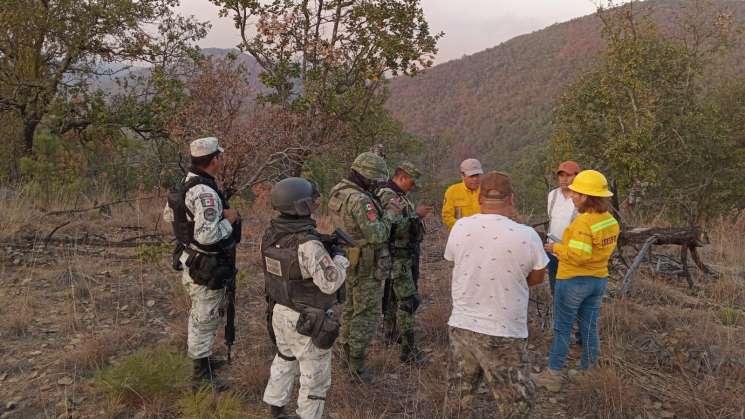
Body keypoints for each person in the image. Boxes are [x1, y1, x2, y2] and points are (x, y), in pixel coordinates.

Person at [444, 171, 548, 417]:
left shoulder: (460, 227)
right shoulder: (527, 235)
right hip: (503, 330)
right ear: (511, 199)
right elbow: (537, 277)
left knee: (459, 398)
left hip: (462, 325)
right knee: (516, 404)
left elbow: (454, 260)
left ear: (479, 199)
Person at [261, 177, 349, 419]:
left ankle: (276, 410)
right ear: (301, 206)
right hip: (308, 318)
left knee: (284, 360)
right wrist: (340, 257)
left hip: (280, 309)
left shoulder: (270, 234)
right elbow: (330, 282)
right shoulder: (308, 245)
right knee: (314, 378)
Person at [164, 137, 241, 390]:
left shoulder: (186, 183)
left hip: (190, 258)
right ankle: (200, 376)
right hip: (205, 263)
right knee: (204, 317)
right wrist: (229, 219)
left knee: (201, 314)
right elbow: (207, 235)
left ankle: (204, 360)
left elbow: (169, 216)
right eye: (219, 156)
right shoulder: (206, 192)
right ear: (214, 159)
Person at [534, 170, 620, 391]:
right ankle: (588, 369)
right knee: (589, 326)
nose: (572, 196)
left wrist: (556, 248)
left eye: (576, 194)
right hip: (598, 279)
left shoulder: (583, 223)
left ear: (586, 197)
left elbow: (579, 255)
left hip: (573, 280)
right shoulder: (610, 220)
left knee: (562, 328)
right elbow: (593, 251)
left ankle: (553, 375)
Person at [327, 152, 401, 382]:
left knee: (349, 308)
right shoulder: (361, 201)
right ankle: (356, 366)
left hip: (347, 258)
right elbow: (378, 234)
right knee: (365, 313)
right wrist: (390, 213)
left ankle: (345, 354)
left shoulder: (338, 191)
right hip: (366, 263)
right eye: (375, 179)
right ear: (366, 176)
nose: (377, 184)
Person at [377, 162, 432, 363]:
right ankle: (408, 352)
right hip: (397, 256)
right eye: (411, 181)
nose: (412, 186)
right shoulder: (388, 196)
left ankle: (390, 334)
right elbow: (394, 227)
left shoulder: (399, 196)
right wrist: (416, 216)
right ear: (401, 177)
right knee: (409, 301)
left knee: (392, 298)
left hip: (402, 255)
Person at [546, 161, 580, 295]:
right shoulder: (552, 195)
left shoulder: (582, 197)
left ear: (577, 176)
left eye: (568, 175)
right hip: (553, 252)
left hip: (571, 254)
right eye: (561, 175)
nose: (564, 179)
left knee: (571, 293)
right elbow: (551, 219)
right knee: (555, 292)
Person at [442, 158, 483, 230]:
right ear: (462, 175)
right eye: (471, 176)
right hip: (461, 235)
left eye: (477, 175)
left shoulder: (486, 191)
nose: (475, 179)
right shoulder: (452, 191)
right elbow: (447, 216)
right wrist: (463, 228)